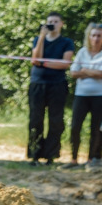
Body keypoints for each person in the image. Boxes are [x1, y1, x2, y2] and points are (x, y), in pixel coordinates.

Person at [27, 13, 75, 164]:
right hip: (38, 83)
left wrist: (44, 63)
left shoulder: (66, 42)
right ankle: (34, 154)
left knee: (55, 120)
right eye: (49, 22)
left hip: (57, 84)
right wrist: (42, 37)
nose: (52, 24)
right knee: (35, 119)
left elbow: (65, 63)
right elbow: (35, 59)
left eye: (55, 21)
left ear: (61, 24)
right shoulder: (38, 39)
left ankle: (51, 155)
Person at [68, 23, 102, 167]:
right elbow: (73, 72)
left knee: (95, 128)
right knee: (75, 126)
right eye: (93, 35)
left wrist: (84, 70)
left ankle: (90, 160)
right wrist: (93, 72)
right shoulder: (82, 52)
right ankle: (74, 159)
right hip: (81, 95)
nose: (95, 39)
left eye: (99, 36)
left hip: (100, 96)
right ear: (89, 37)